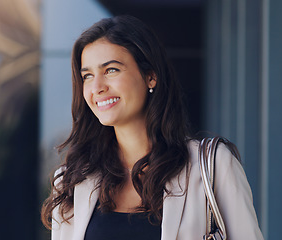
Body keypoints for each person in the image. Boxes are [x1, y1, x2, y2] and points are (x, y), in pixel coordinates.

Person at [41, 15, 263, 240]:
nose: (97, 87)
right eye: (87, 76)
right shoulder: (71, 181)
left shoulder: (211, 165)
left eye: (111, 70)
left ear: (150, 76)